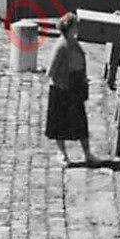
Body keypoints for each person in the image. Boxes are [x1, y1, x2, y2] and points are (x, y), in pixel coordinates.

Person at [45, 14, 97, 166]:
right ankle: (62, 153)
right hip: (62, 89)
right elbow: (51, 70)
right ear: (69, 28)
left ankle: (87, 153)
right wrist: (62, 82)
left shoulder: (74, 43)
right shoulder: (61, 46)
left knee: (81, 122)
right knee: (59, 123)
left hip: (75, 87)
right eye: (75, 25)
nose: (78, 27)